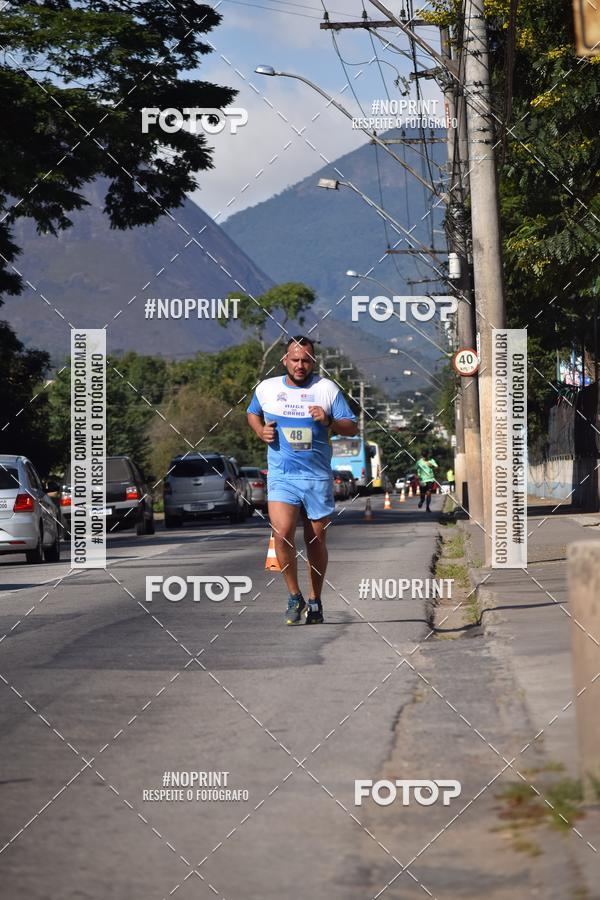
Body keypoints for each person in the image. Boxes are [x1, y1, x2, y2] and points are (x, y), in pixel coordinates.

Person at [247, 336, 358, 625]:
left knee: (315, 539)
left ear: (313, 361)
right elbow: (252, 413)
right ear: (285, 360)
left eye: (306, 360)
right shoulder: (267, 388)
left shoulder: (326, 390)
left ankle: (315, 599)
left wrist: (328, 420)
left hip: (317, 477)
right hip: (282, 476)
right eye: (295, 359)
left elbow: (351, 426)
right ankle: (294, 596)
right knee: (282, 533)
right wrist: (261, 432)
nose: (300, 365)